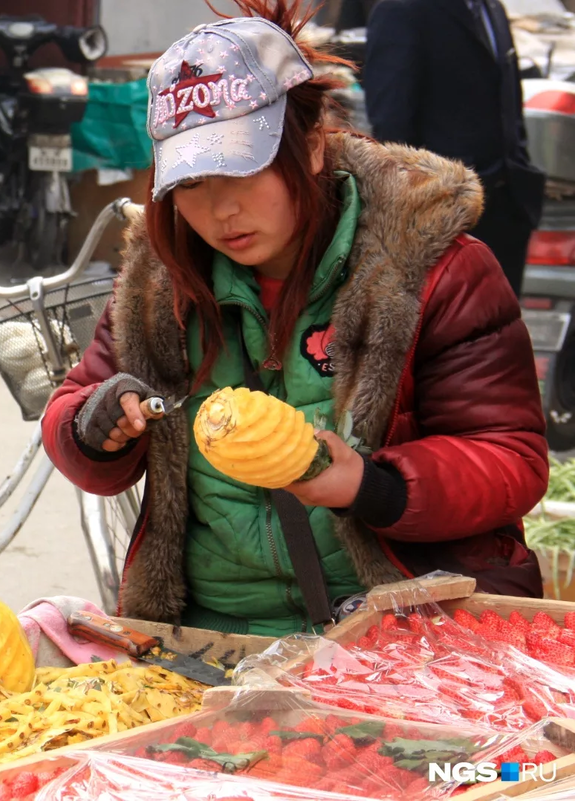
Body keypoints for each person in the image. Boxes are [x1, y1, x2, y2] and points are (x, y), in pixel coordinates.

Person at [41, 0, 548, 637]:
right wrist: (95, 426)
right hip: (213, 634)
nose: (221, 210)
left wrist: (373, 486)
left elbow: (511, 458)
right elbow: (72, 409)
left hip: (401, 629)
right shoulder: (158, 285)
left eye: (244, 169)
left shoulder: (433, 270)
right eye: (192, 184)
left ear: (309, 146)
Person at [363, 0, 546, 297]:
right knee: (459, 332)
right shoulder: (402, 9)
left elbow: (507, 98)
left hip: (506, 205)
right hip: (447, 217)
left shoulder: (491, 8)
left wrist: (518, 162)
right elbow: (392, 125)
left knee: (504, 332)